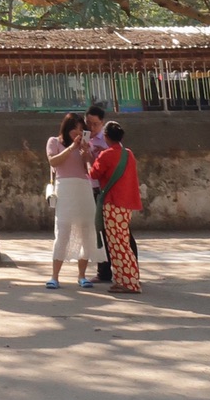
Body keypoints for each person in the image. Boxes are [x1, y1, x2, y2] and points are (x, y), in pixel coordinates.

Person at [44, 112, 100, 289]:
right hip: (65, 188)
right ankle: (55, 276)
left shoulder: (86, 145)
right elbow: (54, 162)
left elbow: (89, 169)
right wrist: (71, 148)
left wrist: (86, 154)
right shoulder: (54, 142)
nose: (78, 131)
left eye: (81, 128)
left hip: (83, 187)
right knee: (63, 230)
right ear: (67, 127)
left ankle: (82, 275)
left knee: (86, 230)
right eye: (75, 128)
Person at [89, 121, 143, 294]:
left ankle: (130, 282)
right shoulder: (128, 154)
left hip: (112, 203)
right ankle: (122, 279)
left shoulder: (107, 155)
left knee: (118, 244)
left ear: (106, 137)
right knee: (120, 242)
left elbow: (94, 174)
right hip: (126, 203)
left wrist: (87, 159)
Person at [85, 103, 113, 283]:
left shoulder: (108, 140)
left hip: (107, 188)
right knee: (98, 231)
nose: (91, 127)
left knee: (117, 230)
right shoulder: (87, 139)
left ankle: (130, 269)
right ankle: (103, 271)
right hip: (91, 187)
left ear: (102, 123)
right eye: (89, 123)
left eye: (95, 124)